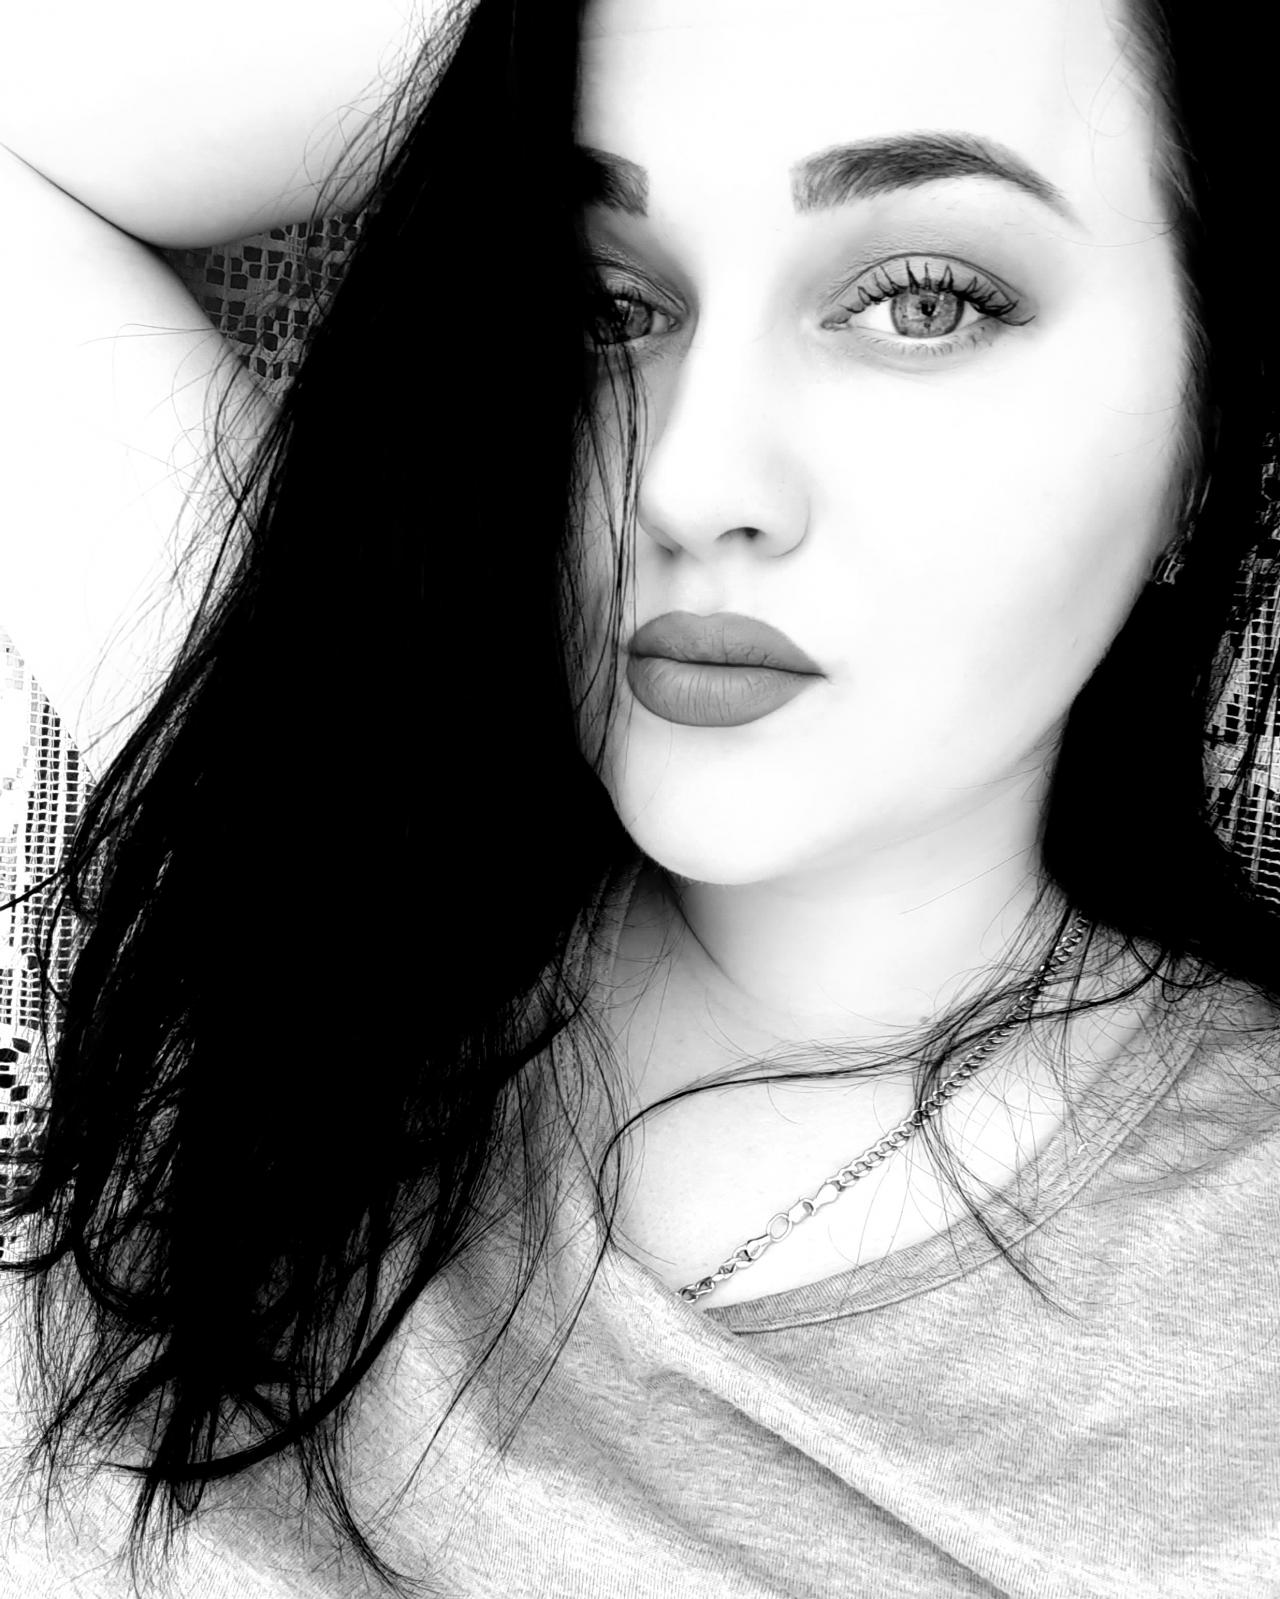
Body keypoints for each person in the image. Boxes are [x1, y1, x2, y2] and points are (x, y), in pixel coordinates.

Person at [1, 0, 1278, 1594]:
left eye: (925, 300)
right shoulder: (318, 854)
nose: (691, 480)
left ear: (1205, 436)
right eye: (610, 305)